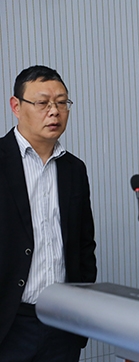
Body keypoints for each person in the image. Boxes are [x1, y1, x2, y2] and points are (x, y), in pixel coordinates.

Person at [0, 65, 97, 361]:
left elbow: (84, 245)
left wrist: (81, 309)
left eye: (62, 102)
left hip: (62, 324)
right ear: (16, 106)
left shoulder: (74, 169)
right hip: (9, 324)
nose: (54, 111)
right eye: (42, 103)